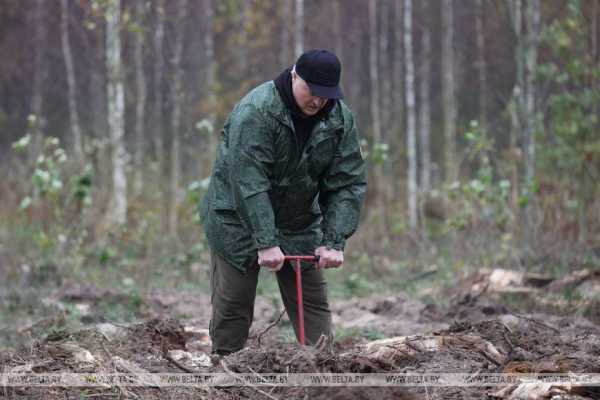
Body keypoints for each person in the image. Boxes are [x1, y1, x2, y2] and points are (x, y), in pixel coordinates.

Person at [200, 49, 367, 355]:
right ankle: (224, 374)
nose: (318, 101)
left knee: (312, 302)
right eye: (311, 91)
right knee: (234, 302)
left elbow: (347, 182)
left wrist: (334, 240)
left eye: (326, 95)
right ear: (294, 76)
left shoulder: (339, 118)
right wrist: (265, 241)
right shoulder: (257, 112)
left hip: (298, 220)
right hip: (236, 218)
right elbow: (249, 183)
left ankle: (321, 371)